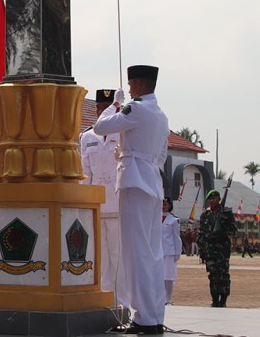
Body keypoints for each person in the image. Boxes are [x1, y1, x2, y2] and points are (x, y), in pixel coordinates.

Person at [93, 65, 169, 335]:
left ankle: (144, 319)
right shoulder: (161, 115)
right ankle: (154, 315)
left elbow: (100, 127)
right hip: (152, 183)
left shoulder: (135, 108)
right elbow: (161, 156)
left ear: (136, 85)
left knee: (135, 254)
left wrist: (115, 104)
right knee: (152, 254)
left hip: (134, 181)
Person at [80, 88, 128, 308]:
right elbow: (85, 174)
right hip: (97, 207)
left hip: (118, 205)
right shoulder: (87, 136)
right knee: (100, 259)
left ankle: (122, 304)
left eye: (108, 108)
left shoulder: (123, 133)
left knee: (119, 259)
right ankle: (104, 303)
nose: (103, 113)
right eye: (100, 108)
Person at [197, 189, 237, 308]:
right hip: (209, 250)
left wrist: (222, 230)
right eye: (210, 199)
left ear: (219, 199)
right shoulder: (205, 214)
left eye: (214, 198)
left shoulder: (226, 213)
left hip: (222, 250)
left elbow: (234, 231)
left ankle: (223, 300)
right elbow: (201, 234)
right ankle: (214, 299)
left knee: (223, 275)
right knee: (213, 275)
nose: (212, 200)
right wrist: (202, 250)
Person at [161, 197, 181, 306]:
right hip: (158, 252)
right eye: (162, 203)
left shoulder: (173, 219)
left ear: (170, 205)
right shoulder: (155, 217)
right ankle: (160, 299)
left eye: (166, 204)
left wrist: (177, 252)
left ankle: (168, 299)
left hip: (169, 251)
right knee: (159, 276)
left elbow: (176, 237)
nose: (163, 206)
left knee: (168, 277)